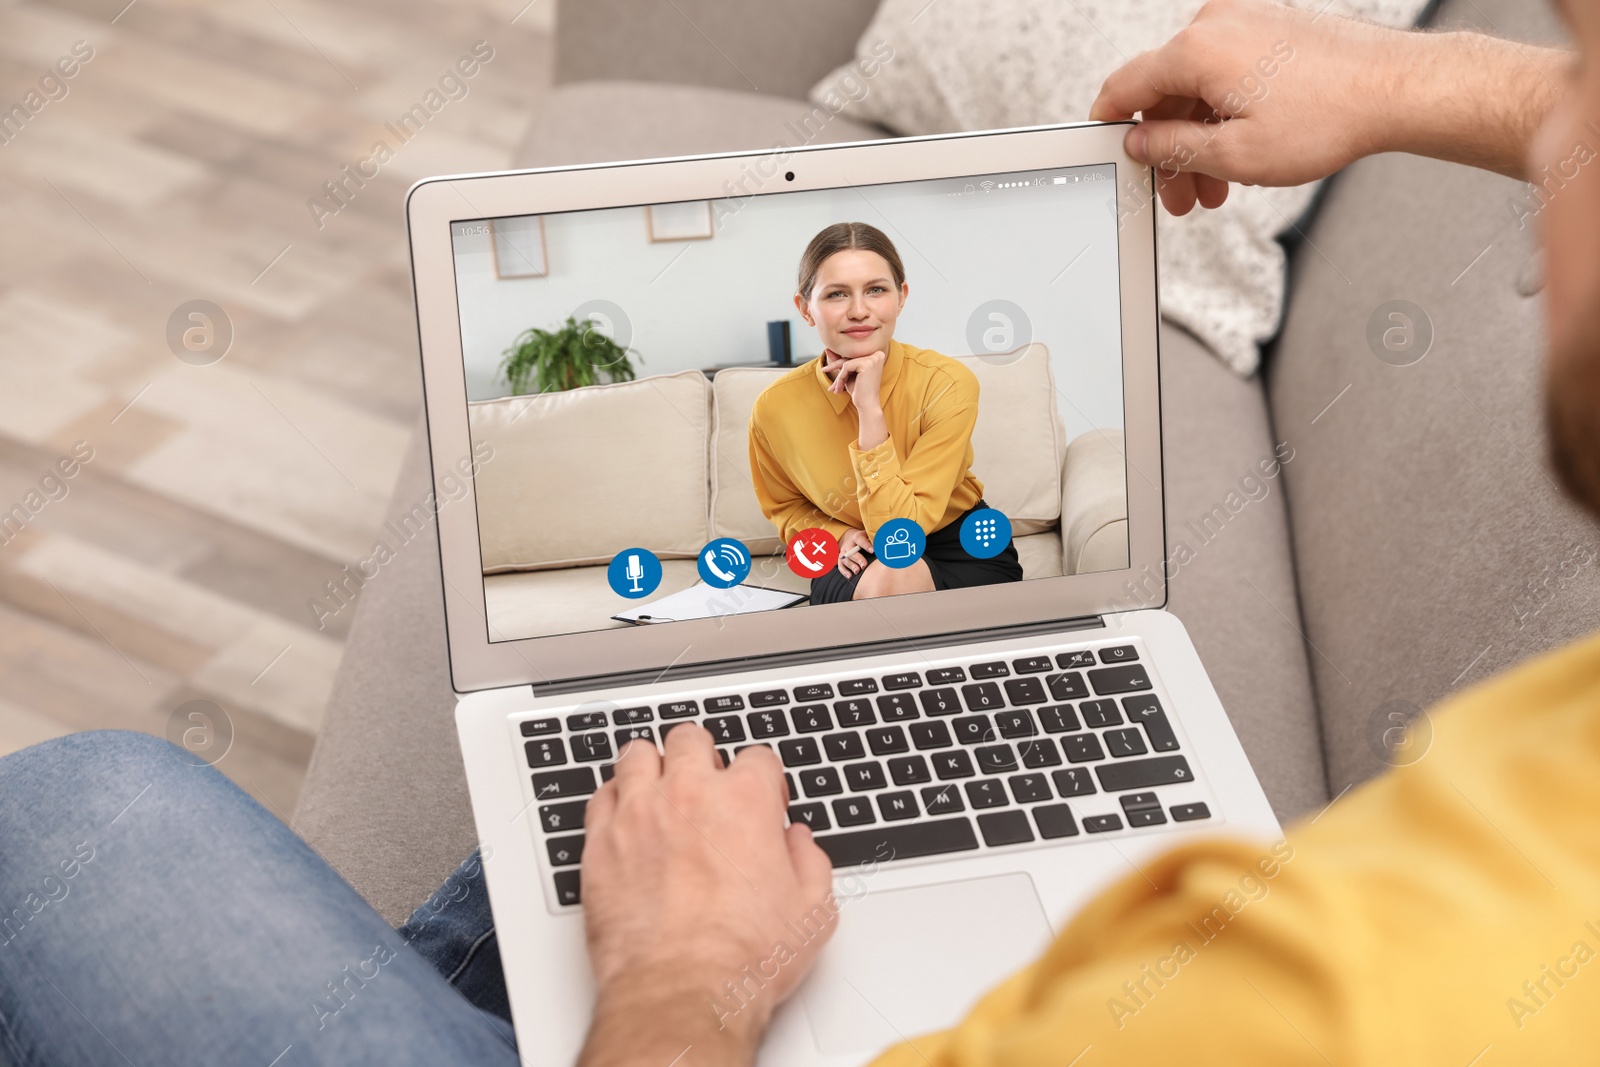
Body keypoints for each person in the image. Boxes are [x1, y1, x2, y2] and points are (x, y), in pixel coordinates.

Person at [1, 0, 1596, 1063]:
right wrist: (1426, 85)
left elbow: (914, 521)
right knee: (637, 775)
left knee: (81, 807)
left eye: (1574, 76)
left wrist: (686, 973)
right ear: (811, 303)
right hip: (862, 575)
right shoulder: (775, 414)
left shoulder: (1359, 983)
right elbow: (798, 528)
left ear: (892, 301)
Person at [747, 221, 1023, 603]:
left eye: (876, 290)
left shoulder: (947, 383)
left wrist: (870, 412)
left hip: (957, 543)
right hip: (853, 557)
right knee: (892, 577)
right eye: (836, 294)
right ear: (805, 308)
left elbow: (900, 534)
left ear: (901, 296)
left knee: (898, 569)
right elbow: (787, 507)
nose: (859, 311)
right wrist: (837, 534)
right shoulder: (774, 408)